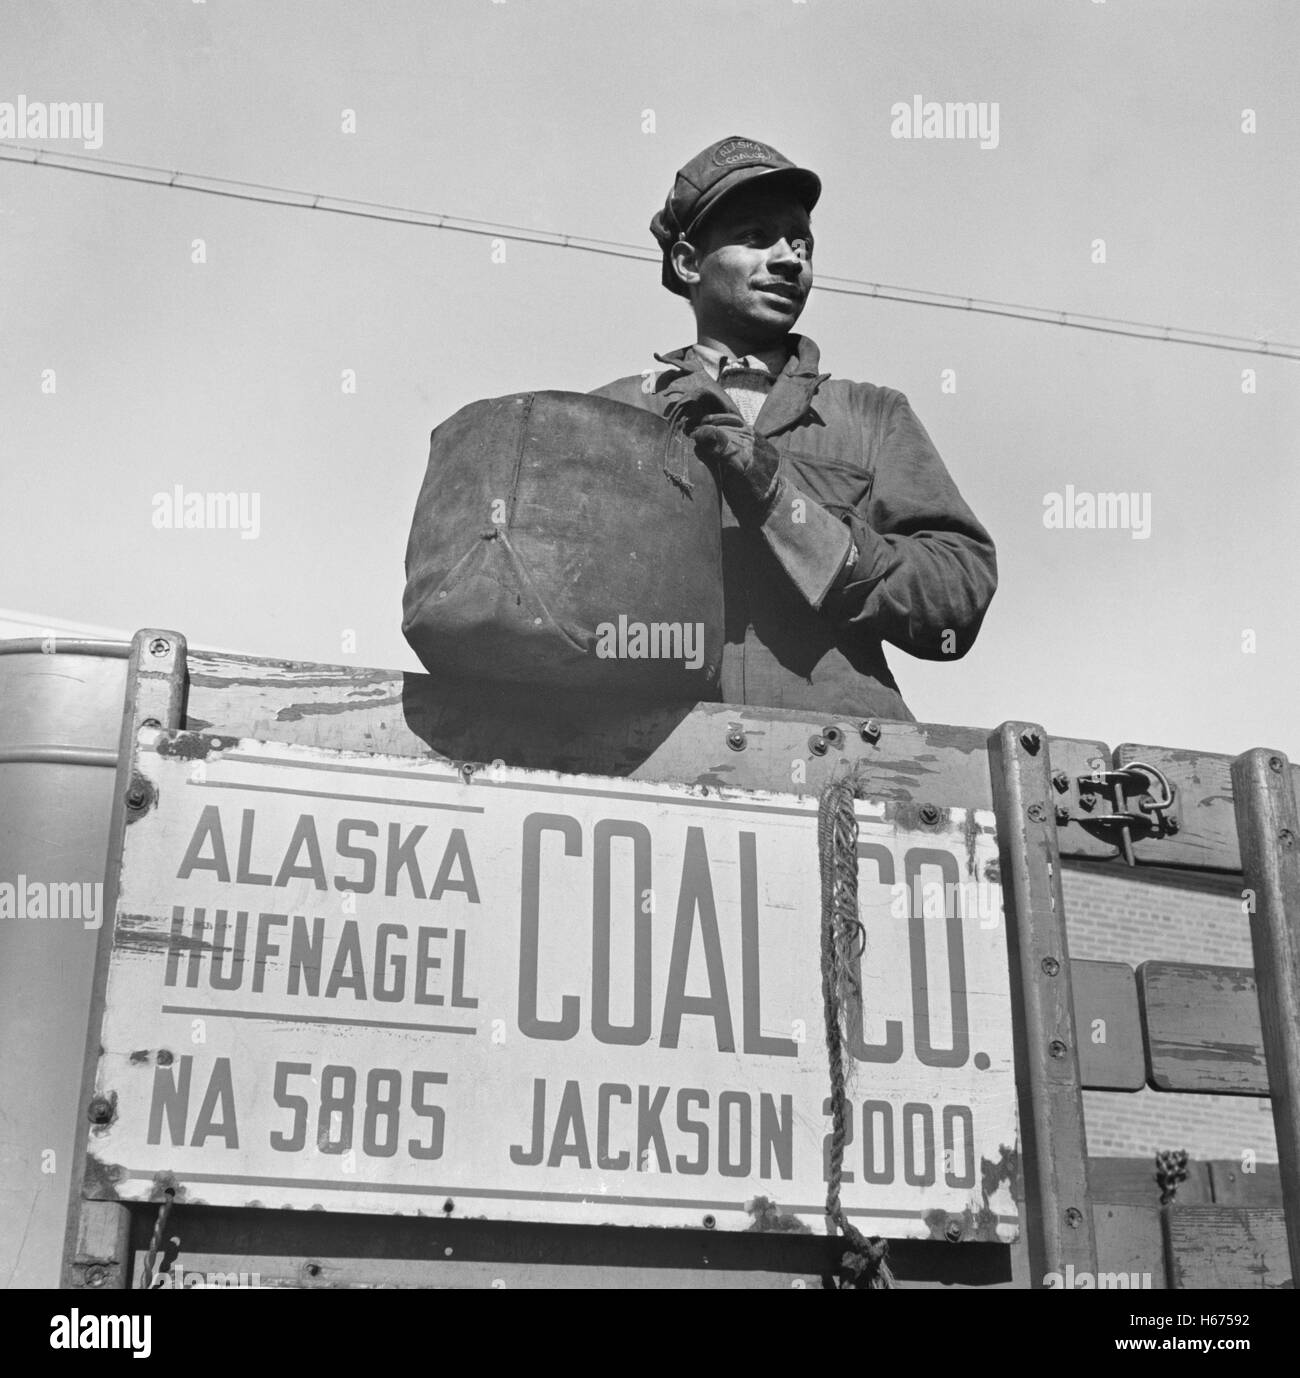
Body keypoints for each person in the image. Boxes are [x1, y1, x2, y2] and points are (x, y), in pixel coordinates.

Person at [590, 136, 997, 723]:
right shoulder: (617, 415)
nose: (788, 258)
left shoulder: (870, 417)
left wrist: (784, 506)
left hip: (847, 765)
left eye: (800, 242)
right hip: (657, 767)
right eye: (756, 237)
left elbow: (955, 596)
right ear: (687, 262)